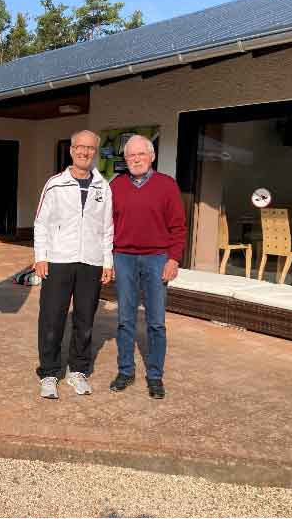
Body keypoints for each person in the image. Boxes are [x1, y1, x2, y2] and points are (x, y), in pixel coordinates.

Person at [34, 130, 114, 400]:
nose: (84, 152)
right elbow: (41, 223)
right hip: (58, 260)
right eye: (80, 147)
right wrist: (40, 256)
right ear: (71, 150)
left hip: (90, 262)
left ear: (95, 152)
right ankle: (48, 372)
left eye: (90, 148)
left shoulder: (104, 186)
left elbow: (107, 228)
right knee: (52, 317)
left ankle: (78, 371)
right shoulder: (55, 184)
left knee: (85, 319)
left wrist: (107, 261)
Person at [109, 134, 186, 400]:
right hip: (124, 257)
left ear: (152, 156)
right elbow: (106, 226)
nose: (136, 159)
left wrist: (173, 259)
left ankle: (155, 376)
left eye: (141, 154)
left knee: (156, 322)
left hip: (157, 259)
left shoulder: (167, 186)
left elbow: (178, 227)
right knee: (125, 319)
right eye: (131, 155)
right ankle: (125, 371)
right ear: (126, 159)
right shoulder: (115, 186)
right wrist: (109, 259)